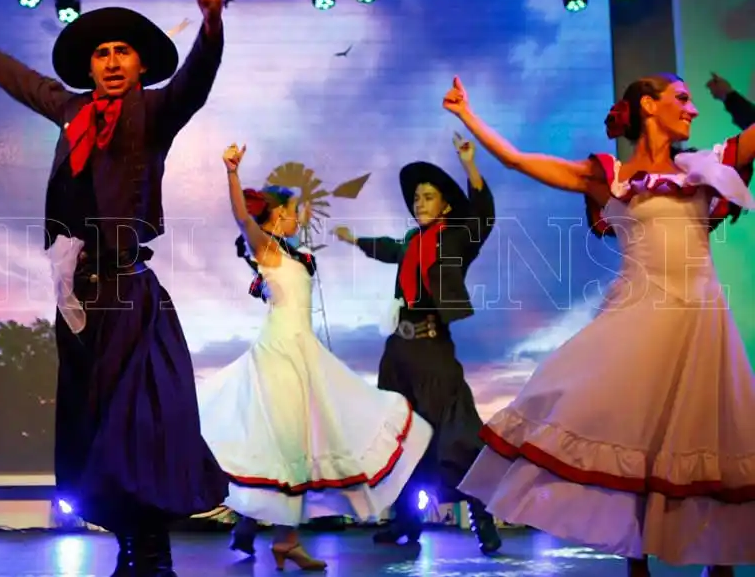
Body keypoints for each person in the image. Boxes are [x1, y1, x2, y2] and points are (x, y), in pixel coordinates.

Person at [0, 0, 230, 576]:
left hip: (127, 289)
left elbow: (196, 82)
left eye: (122, 51)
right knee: (94, 425)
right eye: (101, 53)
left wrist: (210, 22)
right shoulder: (73, 113)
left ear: (141, 65)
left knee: (139, 423)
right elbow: (27, 85)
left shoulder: (154, 112)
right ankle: (128, 548)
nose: (110, 60)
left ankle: (153, 550)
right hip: (78, 297)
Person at [446, 73, 755, 577]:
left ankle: (716, 563)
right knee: (632, 430)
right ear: (649, 106)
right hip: (639, 317)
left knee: (709, 434)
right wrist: (467, 114)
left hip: (701, 316)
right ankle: (636, 561)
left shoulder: (704, 167)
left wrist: (734, 99)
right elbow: (518, 161)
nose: (693, 110)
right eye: (682, 99)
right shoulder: (609, 175)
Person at [197, 144, 433, 571]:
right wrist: (232, 173)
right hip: (279, 356)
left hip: (302, 353)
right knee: (286, 445)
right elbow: (242, 217)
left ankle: (281, 538)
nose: (299, 216)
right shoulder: (266, 249)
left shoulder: (293, 255)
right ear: (278, 216)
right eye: (292, 211)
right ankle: (280, 537)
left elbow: (292, 237)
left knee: (299, 445)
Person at [333, 132, 502, 554]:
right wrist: (356, 240)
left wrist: (469, 165)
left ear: (445, 203)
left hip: (433, 349)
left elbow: (482, 215)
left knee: (456, 434)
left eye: (428, 197)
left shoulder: (457, 237)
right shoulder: (412, 240)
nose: (419, 204)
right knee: (400, 436)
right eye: (416, 199)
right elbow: (392, 248)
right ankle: (406, 521)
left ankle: (482, 513)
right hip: (399, 352)